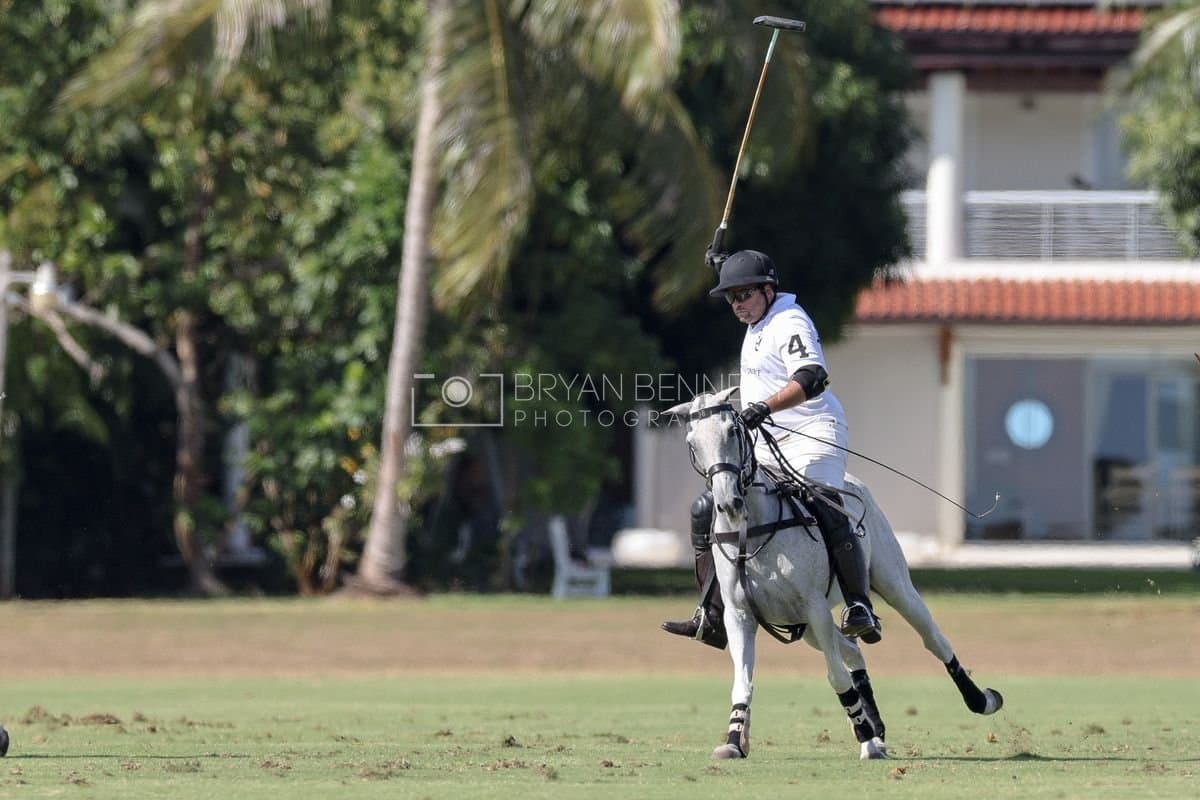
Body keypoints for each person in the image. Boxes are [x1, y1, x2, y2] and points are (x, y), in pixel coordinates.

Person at [661, 249, 882, 649]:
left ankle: (858, 605)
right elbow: (741, 280)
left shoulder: (789, 320)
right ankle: (712, 615)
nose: (737, 304)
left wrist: (763, 407)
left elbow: (813, 377)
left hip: (813, 429)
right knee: (707, 507)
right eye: (731, 297)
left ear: (768, 289)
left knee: (823, 500)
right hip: (766, 439)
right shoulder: (758, 315)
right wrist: (721, 265)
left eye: (744, 294)